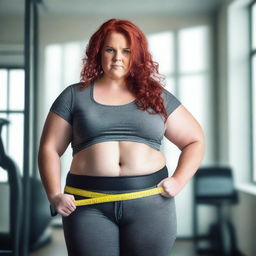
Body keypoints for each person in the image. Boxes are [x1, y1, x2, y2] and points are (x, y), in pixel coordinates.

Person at [38, 18, 204, 256]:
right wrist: (54, 194)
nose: (118, 57)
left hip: (150, 204)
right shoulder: (73, 96)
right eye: (110, 49)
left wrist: (179, 180)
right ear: (98, 53)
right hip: (88, 206)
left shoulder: (157, 97)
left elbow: (195, 140)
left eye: (126, 51)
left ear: (137, 55)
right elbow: (49, 148)